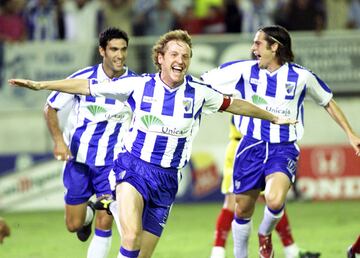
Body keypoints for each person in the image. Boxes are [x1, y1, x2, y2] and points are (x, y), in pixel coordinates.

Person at [8, 29, 296, 258]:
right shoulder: (138, 85)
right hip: (133, 168)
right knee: (130, 238)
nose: (180, 60)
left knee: (140, 254)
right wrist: (41, 85)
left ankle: (108, 204)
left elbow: (236, 105)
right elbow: (86, 86)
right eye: (174, 53)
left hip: (167, 179)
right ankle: (113, 201)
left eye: (185, 55)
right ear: (160, 57)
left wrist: (273, 117)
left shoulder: (199, 93)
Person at [200, 25, 360, 258]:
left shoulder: (301, 76)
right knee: (242, 209)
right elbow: (204, 81)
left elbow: (327, 101)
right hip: (250, 146)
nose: (253, 48)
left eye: (258, 44)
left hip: (282, 149)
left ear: (274, 47)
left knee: (274, 201)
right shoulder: (243, 70)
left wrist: (350, 134)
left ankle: (265, 235)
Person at [43, 27, 136, 258]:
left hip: (111, 165)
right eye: (114, 49)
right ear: (102, 50)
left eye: (123, 50)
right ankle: (87, 215)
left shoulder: (135, 83)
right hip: (78, 161)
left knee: (106, 222)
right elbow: (50, 107)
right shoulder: (82, 78)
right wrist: (58, 141)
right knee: (74, 225)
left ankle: (98, 214)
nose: (120, 55)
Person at [208, 117, 320, 258]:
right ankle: (217, 252)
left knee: (273, 199)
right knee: (234, 202)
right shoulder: (246, 95)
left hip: (266, 148)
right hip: (242, 149)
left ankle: (291, 249)